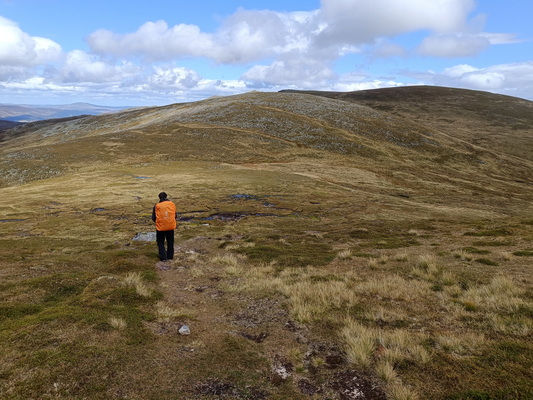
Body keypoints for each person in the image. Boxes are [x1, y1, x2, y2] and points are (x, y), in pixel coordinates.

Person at [152, 192, 177, 261]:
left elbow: (153, 218)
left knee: (160, 242)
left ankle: (163, 258)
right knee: (170, 242)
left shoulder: (157, 206)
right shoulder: (171, 204)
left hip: (160, 227)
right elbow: (175, 215)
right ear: (166, 197)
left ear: (159, 198)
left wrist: (160, 222)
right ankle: (170, 257)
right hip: (170, 226)